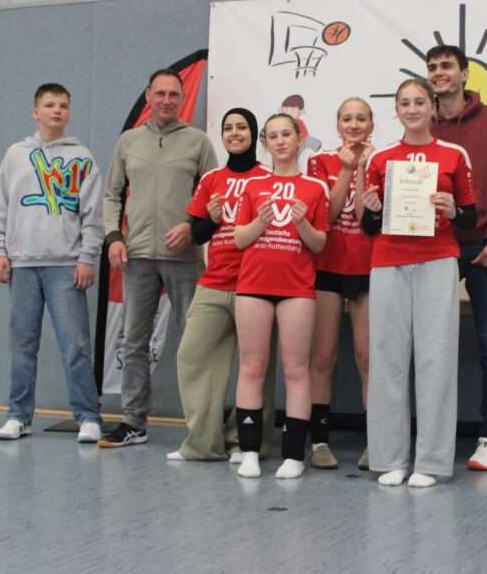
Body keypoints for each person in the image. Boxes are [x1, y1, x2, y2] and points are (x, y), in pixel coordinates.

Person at [361, 78, 477, 487]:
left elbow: (471, 217)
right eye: (404, 103)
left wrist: (453, 209)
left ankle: (430, 462)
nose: (412, 109)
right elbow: (369, 225)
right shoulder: (380, 159)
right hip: (388, 262)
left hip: (437, 261)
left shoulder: (453, 155)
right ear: (396, 110)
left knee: (436, 359)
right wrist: (373, 208)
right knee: (387, 360)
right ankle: (390, 458)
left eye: (419, 102)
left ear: (432, 108)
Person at [99, 68, 219, 448]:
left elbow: (215, 198)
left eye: (173, 94)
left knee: (196, 341)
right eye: (160, 93)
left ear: (181, 99)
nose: (167, 100)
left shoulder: (198, 143)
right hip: (137, 258)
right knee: (134, 342)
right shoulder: (129, 141)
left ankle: (202, 426)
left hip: (184, 258)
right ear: (148, 95)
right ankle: (133, 422)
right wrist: (114, 237)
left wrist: (191, 227)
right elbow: (111, 195)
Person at [0, 82, 104, 443]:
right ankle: (18, 416)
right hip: (22, 264)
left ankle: (88, 416)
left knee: (76, 345)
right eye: (50, 104)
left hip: (66, 265)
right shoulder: (15, 155)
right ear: (35, 112)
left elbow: (93, 214)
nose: (57, 110)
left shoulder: (82, 157)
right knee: (22, 345)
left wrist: (87, 257)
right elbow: (1, 206)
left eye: (63, 105)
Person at [166, 108, 277, 462]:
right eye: (228, 128)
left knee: (257, 367)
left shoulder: (270, 178)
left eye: (242, 127)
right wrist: (212, 220)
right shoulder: (212, 179)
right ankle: (203, 443)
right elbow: (198, 233)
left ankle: (248, 443)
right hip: (214, 283)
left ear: (254, 134)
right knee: (192, 356)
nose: (234, 133)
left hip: (256, 284)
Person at [426, 44, 487, 471]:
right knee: (430, 345)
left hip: (481, 244)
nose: (439, 72)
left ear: (464, 74)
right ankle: (430, 439)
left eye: (446, 66)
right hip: (436, 246)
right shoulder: (423, 122)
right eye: (432, 67)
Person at [233, 113, 330, 479]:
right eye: (272, 136)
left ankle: (293, 455)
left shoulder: (314, 188)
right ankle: (249, 452)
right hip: (253, 286)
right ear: (265, 143)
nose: (280, 141)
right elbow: (239, 239)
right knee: (251, 368)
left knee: (296, 370)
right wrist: (261, 220)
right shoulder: (253, 185)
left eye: (286, 134)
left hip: (296, 289)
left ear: (299, 138)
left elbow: (319, 244)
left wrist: (301, 222)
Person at [306, 98, 375, 470]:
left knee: (367, 356)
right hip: (328, 266)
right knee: (323, 356)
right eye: (347, 118)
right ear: (337, 124)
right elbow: (328, 215)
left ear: (371, 124)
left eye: (361, 118)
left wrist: (363, 167)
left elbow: (366, 219)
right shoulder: (320, 162)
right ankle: (319, 441)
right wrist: (347, 169)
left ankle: (376, 442)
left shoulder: (382, 161)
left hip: (367, 267)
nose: (354, 124)